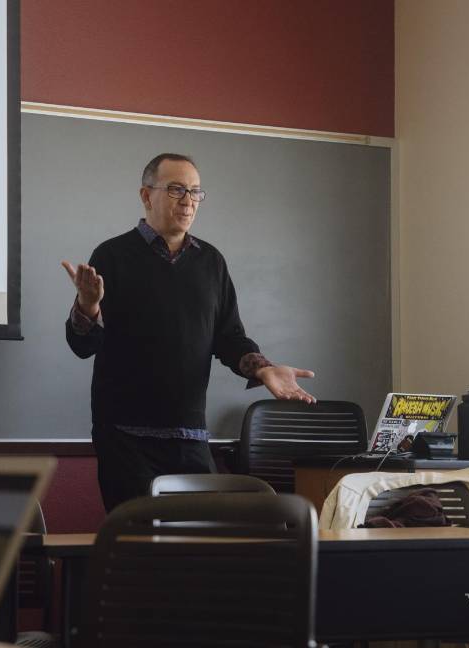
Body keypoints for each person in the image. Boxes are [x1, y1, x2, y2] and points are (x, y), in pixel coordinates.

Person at [61, 153, 316, 511]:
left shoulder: (211, 262)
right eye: (177, 189)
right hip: (125, 438)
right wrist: (87, 307)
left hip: (190, 435)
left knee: (199, 550)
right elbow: (82, 345)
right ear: (146, 195)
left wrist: (263, 368)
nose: (188, 201)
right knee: (141, 550)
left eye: (196, 192)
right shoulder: (113, 256)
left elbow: (229, 337)